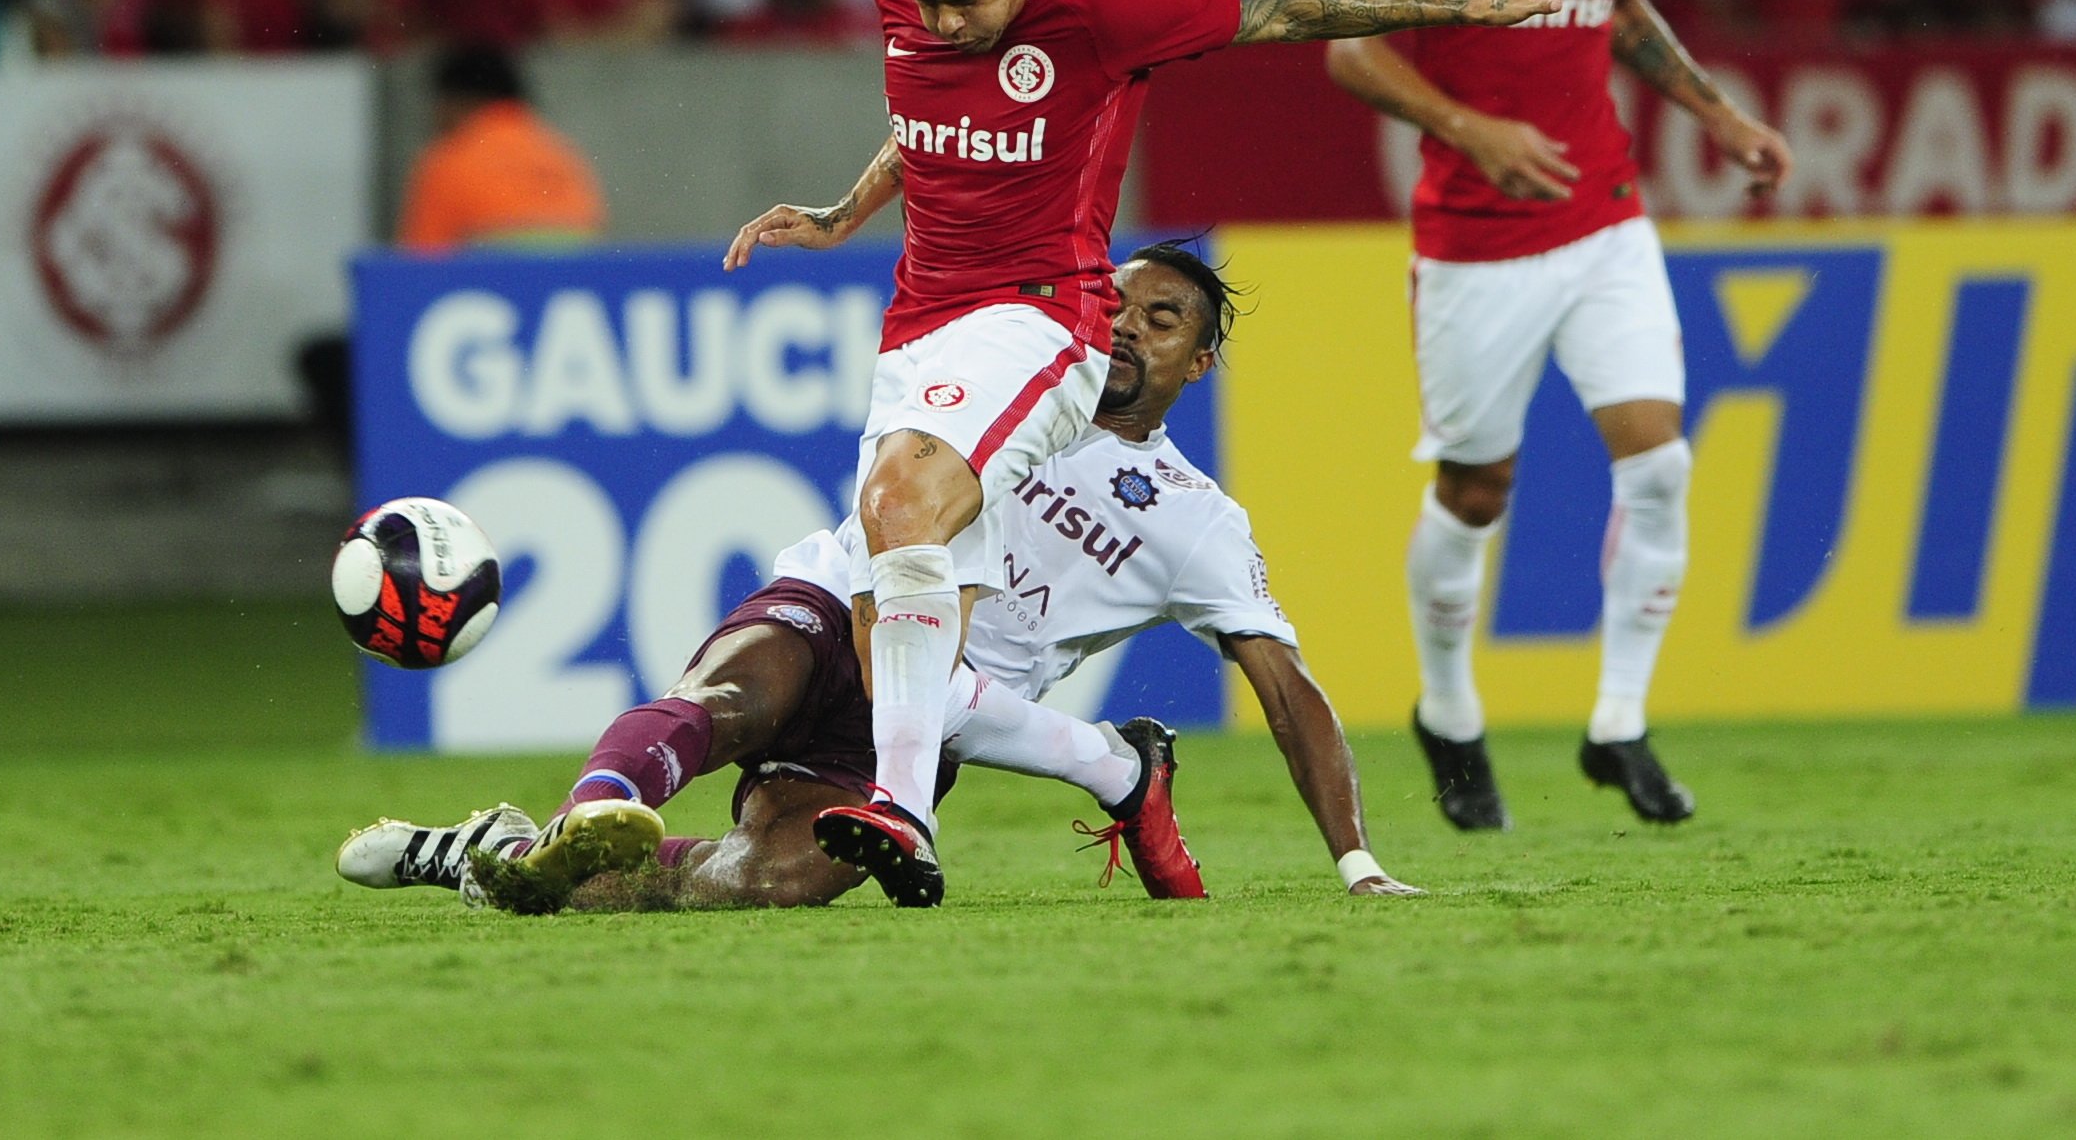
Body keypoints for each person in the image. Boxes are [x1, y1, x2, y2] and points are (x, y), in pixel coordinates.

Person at [723, 0, 1596, 907]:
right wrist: (842, 212)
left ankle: (903, 807)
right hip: (920, 320)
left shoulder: (1106, 3)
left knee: (899, 498)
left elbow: (1283, 8)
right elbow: (932, 123)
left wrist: (1467, 5)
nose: (943, 20)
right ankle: (1094, 771)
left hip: (1036, 309)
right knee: (885, 571)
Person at [336, 247, 1423, 909]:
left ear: (1201, 362)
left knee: (777, 878)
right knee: (732, 701)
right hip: (832, 603)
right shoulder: (1013, 370)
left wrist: (1357, 861)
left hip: (917, 718)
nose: (1129, 327)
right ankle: (594, 807)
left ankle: (500, 854)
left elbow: (1287, 688)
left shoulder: (1195, 522)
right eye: (1121, 302)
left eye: (1163, 319)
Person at [1327, 0, 1794, 833]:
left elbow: (1623, 8)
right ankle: (1447, 710)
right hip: (1477, 244)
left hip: (1604, 219)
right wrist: (1467, 123)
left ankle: (1618, 724)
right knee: (1478, 487)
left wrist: (1717, 112)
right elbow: (1347, 45)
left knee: (1661, 459)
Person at [396, 46, 604, 253]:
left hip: (481, 284)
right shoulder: (559, 151)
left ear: (456, 101)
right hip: (572, 282)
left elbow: (420, 261)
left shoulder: (449, 157)